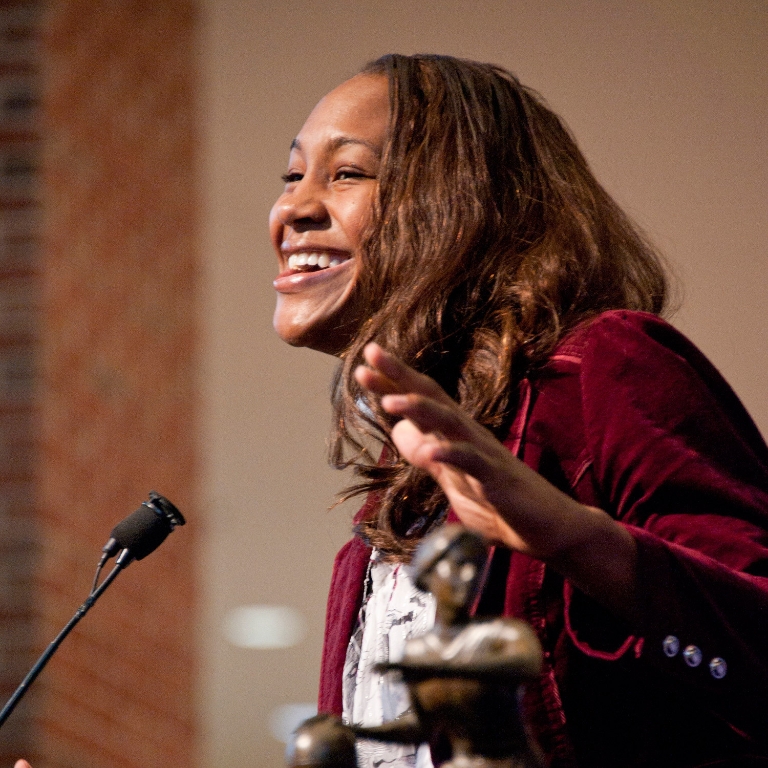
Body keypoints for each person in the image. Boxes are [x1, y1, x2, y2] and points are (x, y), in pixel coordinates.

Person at [270, 53, 768, 768]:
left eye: (346, 172)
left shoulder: (602, 370)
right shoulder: (372, 540)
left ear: (465, 197)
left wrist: (579, 539)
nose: (294, 208)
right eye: (291, 177)